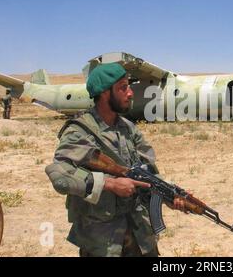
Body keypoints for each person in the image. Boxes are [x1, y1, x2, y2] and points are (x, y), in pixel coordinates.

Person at [45, 63, 186, 257]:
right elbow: (60, 175)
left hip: (141, 236)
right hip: (103, 242)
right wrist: (109, 184)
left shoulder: (128, 128)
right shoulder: (79, 132)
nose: (130, 93)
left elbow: (149, 173)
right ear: (104, 93)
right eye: (123, 87)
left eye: (128, 86)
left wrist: (167, 194)